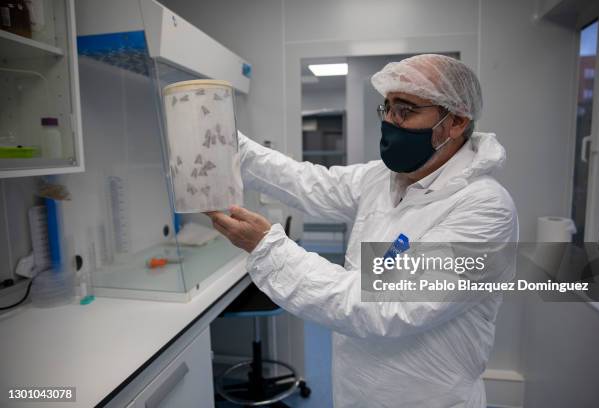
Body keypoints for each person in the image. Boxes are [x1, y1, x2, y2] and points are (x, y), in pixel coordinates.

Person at [206, 54, 518, 407]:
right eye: (386, 108)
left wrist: (268, 247)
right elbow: (306, 181)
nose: (389, 122)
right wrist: (231, 145)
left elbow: (381, 304)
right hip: (356, 391)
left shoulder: (485, 208)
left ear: (456, 121)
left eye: (405, 111)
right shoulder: (382, 179)